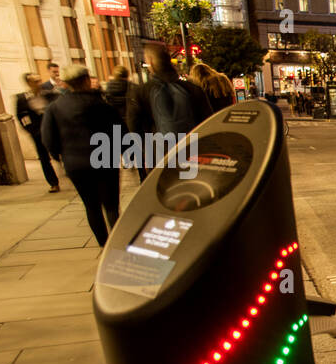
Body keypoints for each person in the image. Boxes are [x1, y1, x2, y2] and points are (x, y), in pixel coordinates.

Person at [41, 65, 125, 246]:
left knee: (91, 205)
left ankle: (103, 243)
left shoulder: (55, 108)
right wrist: (125, 152)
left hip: (75, 164)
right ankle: (117, 244)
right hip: (104, 160)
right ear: (86, 80)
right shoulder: (102, 105)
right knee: (110, 205)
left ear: (66, 83)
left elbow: (48, 138)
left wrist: (59, 156)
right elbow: (120, 132)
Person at [126, 43, 213, 181]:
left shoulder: (140, 92)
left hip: (159, 156)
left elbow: (134, 127)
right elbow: (208, 121)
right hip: (193, 151)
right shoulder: (193, 89)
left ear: (151, 63)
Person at [15, 74, 61, 192]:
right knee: (44, 158)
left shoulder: (50, 94)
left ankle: (64, 165)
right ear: (29, 83)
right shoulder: (22, 99)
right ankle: (53, 182)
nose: (38, 83)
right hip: (37, 133)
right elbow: (21, 117)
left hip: (54, 130)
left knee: (59, 152)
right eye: (35, 81)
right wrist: (31, 131)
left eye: (39, 80)